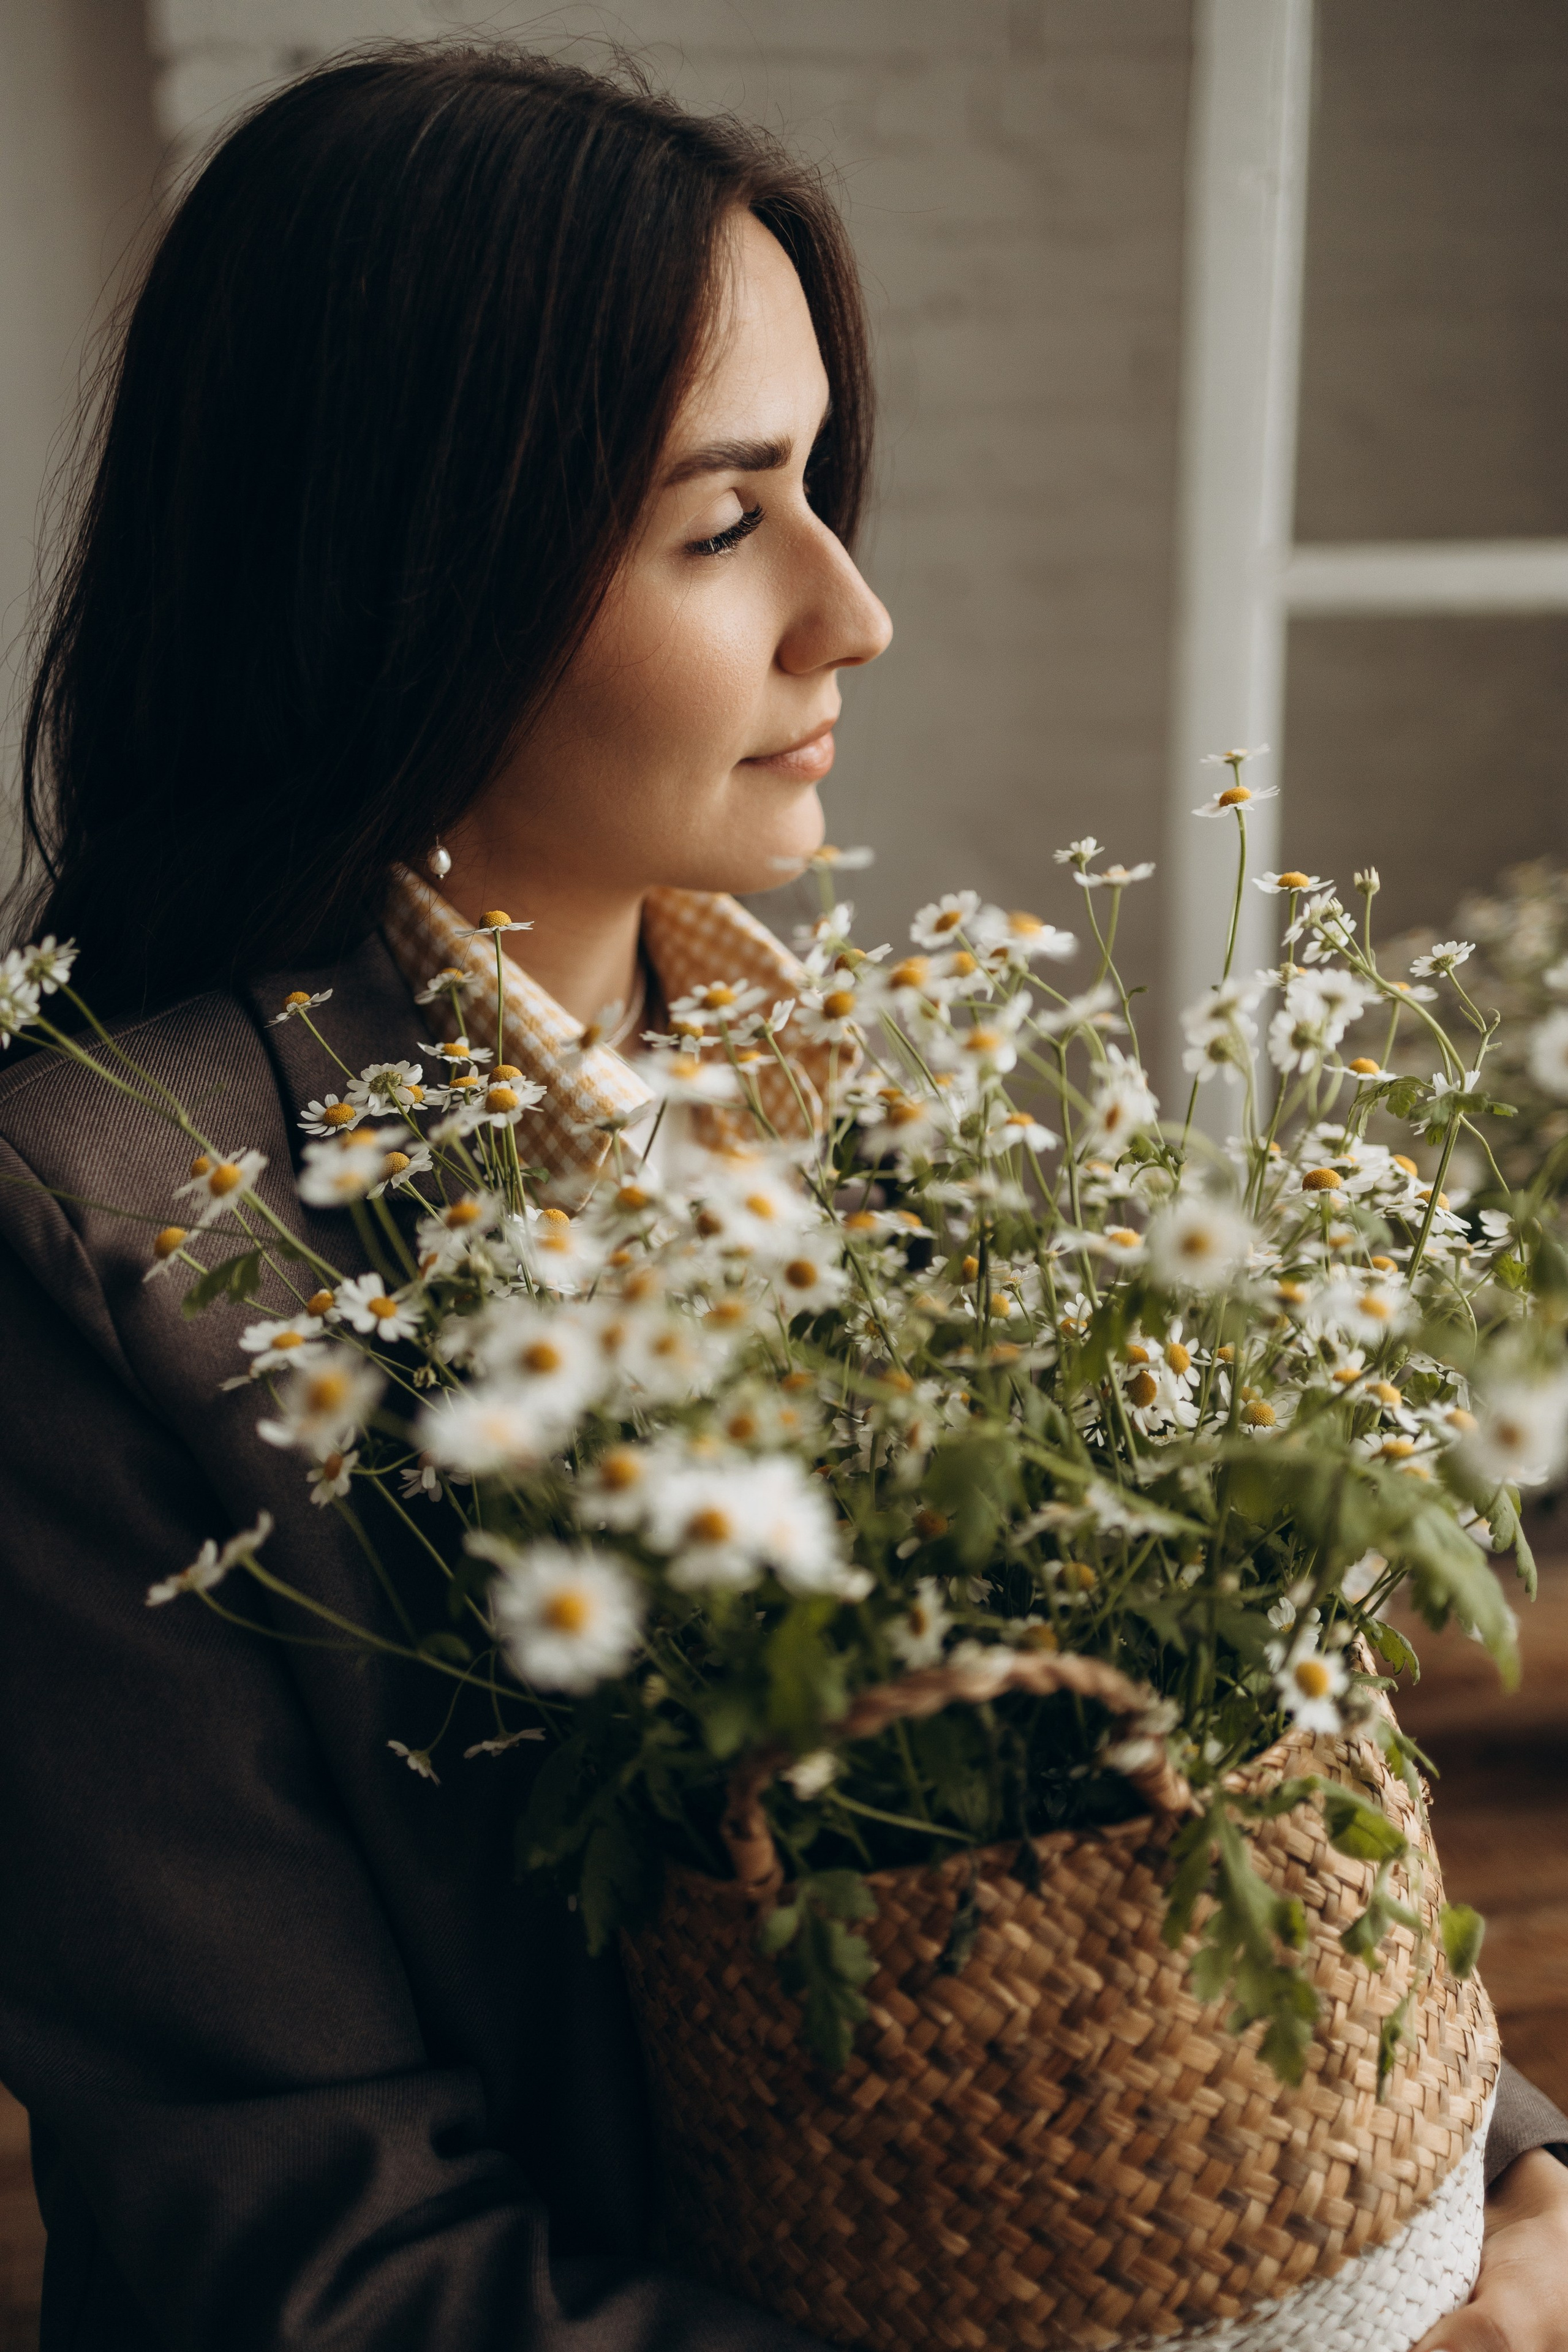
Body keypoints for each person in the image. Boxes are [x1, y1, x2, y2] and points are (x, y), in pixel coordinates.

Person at [0, 41, 1562, 2352]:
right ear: (415, 558)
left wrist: (1498, 2187)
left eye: (820, 486)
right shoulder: (110, 1237)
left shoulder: (901, 1130)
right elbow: (310, 2259)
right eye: (724, 522)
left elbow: (1217, 1849)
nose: (855, 611)